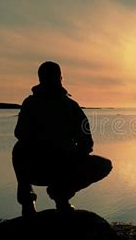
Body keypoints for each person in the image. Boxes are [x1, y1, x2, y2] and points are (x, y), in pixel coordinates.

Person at [12, 61, 112, 216]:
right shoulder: (32, 104)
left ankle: (60, 196)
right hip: (38, 167)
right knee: (19, 149)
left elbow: (86, 141)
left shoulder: (70, 106)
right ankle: (30, 202)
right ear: (60, 78)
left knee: (104, 165)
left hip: (62, 166)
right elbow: (20, 134)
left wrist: (72, 154)